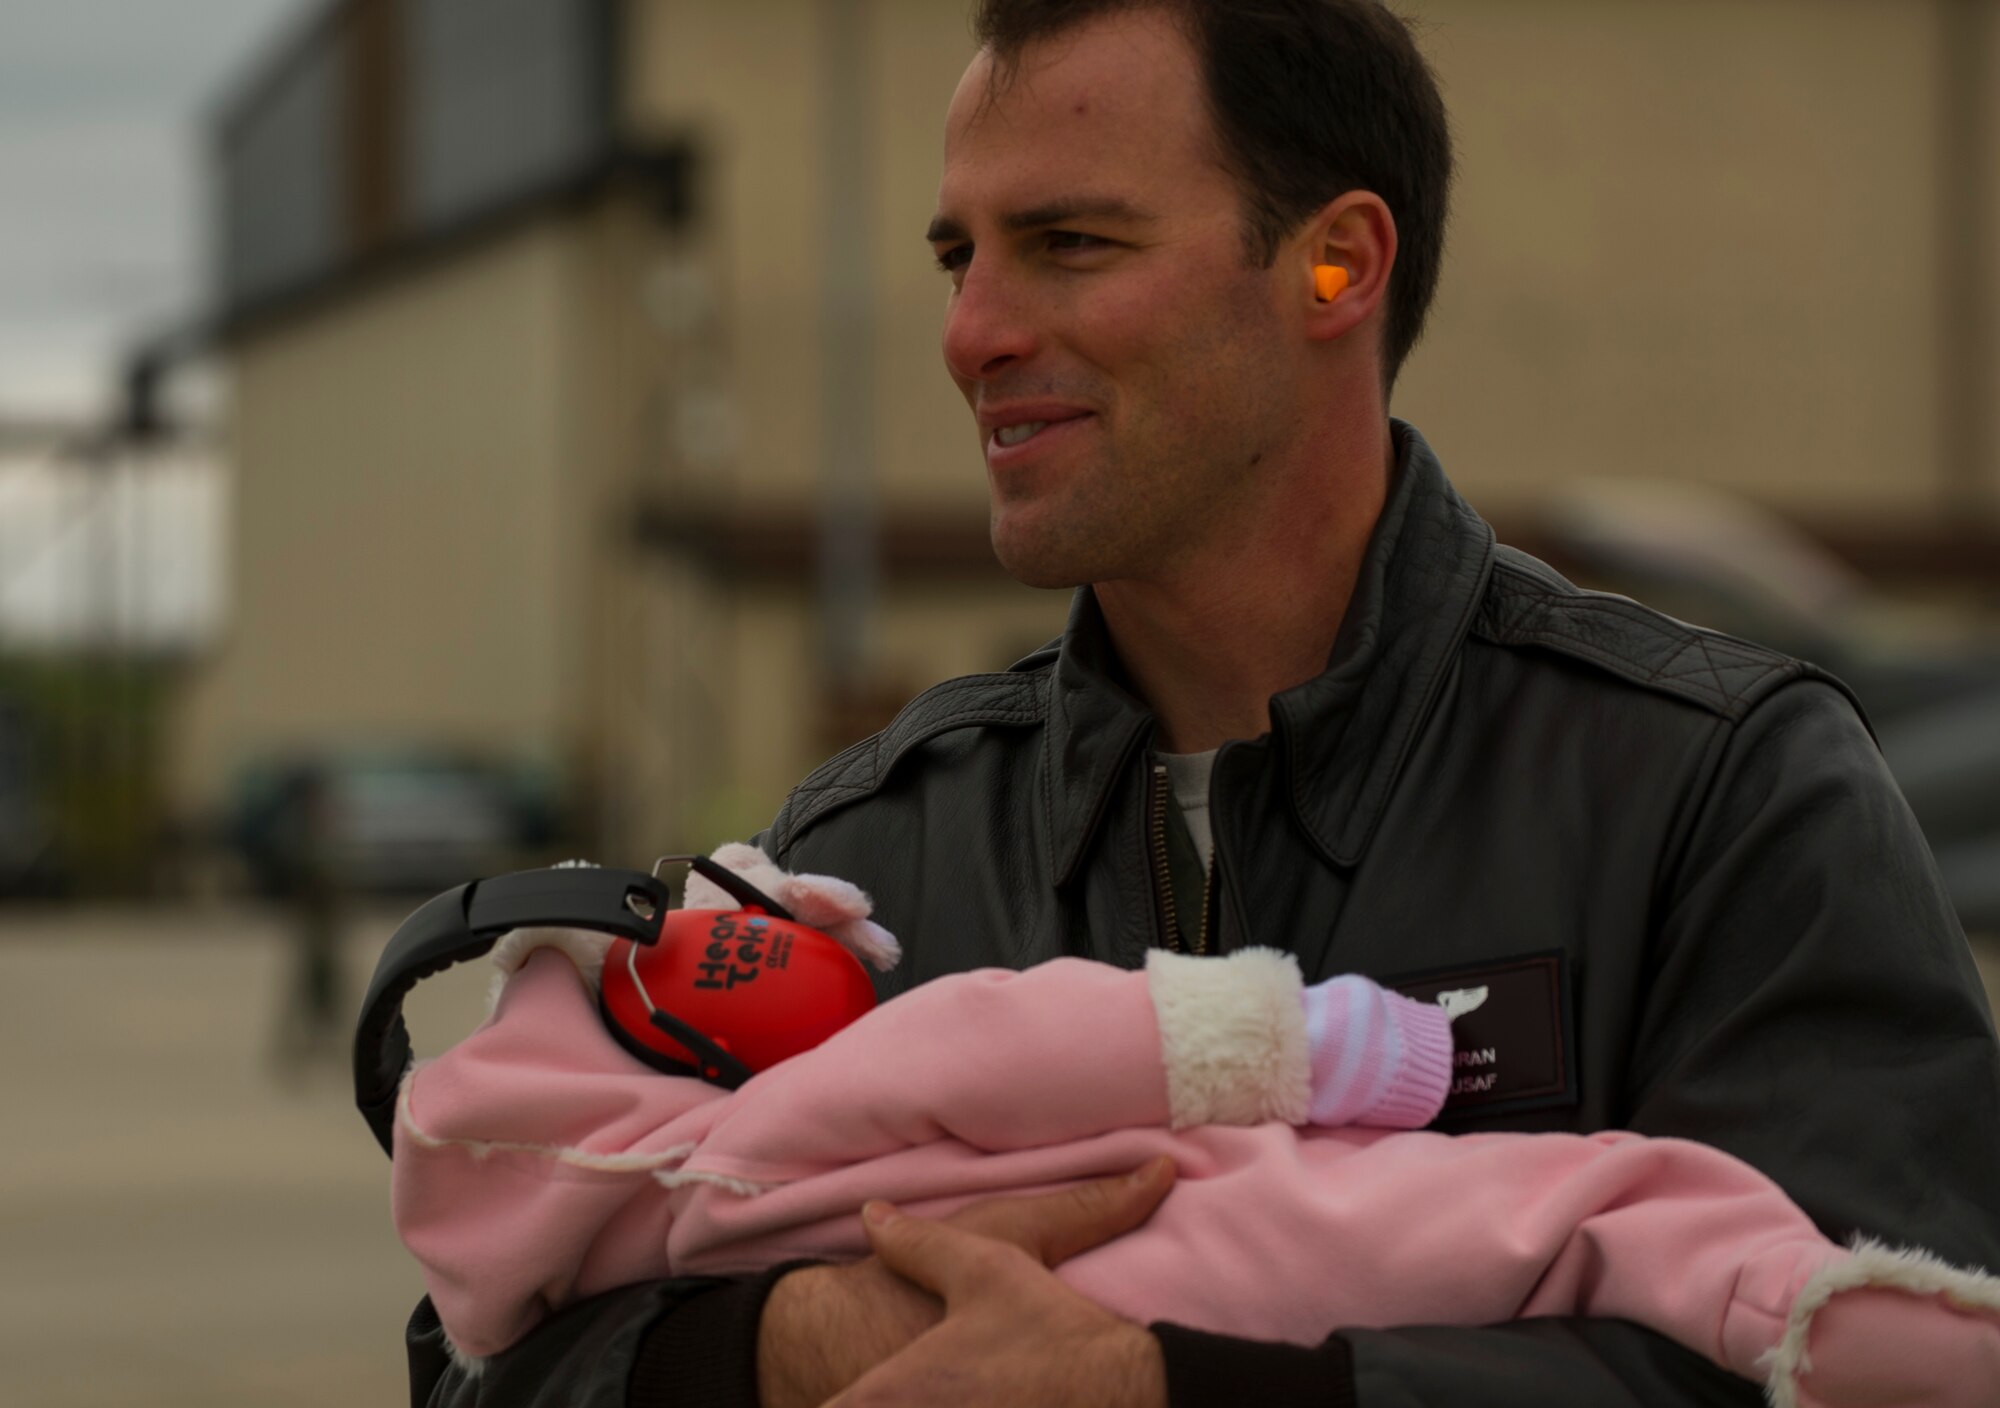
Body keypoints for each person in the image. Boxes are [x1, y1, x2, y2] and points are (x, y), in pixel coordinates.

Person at [408, 2, 2000, 1405]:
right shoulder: (870, 853)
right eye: (962, 256)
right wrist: (787, 1350)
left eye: (1071, 244)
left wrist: (1181, 1386)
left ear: (1337, 264)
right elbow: (480, 1354)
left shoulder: (1715, 794)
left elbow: (1893, 1353)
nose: (972, 335)